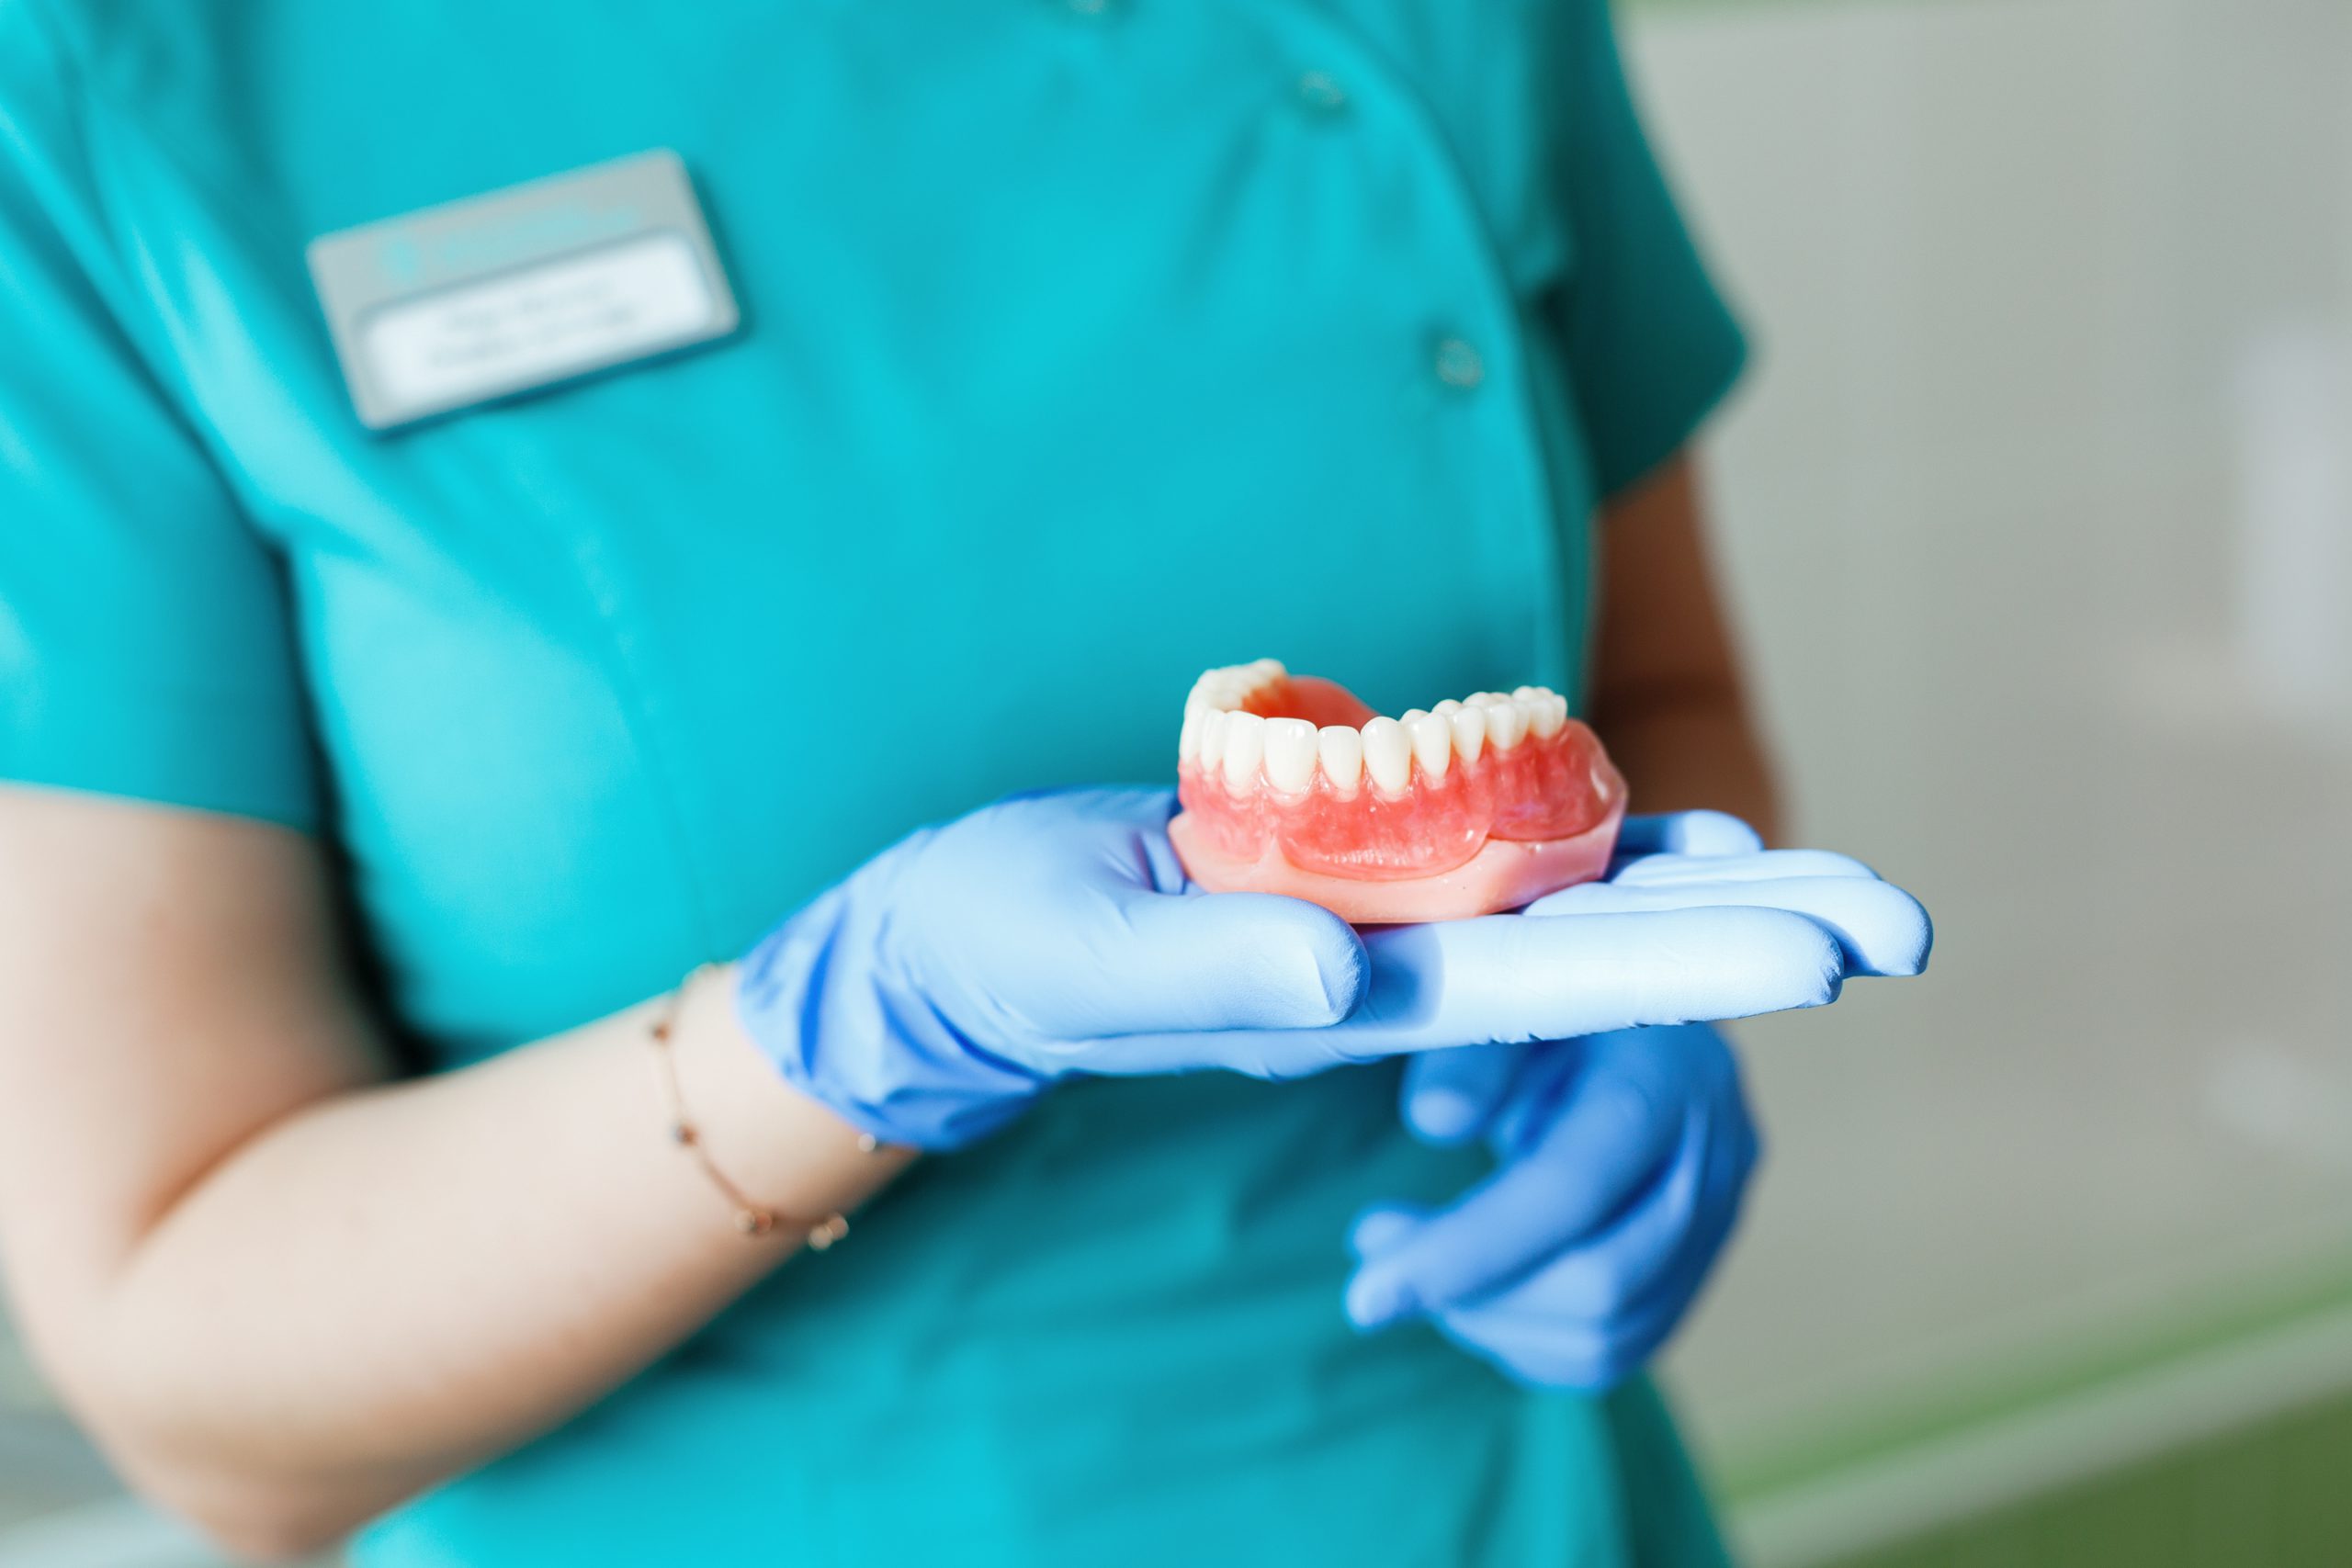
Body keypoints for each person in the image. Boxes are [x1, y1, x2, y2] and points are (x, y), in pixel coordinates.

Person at [0, 3, 1929, 1564]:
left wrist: (1649, 1021)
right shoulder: (95, 95)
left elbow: (1658, 689)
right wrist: (834, 1038)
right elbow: (199, 1396)